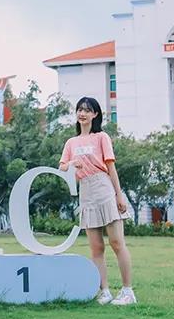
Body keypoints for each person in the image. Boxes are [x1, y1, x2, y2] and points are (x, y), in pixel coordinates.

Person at [58, 96, 136, 305]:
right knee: (96, 247)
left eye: (87, 110)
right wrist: (72, 163)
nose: (82, 114)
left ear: (95, 114)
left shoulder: (102, 137)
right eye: (79, 110)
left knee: (117, 243)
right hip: (85, 191)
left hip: (103, 187)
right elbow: (62, 167)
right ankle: (104, 291)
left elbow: (111, 168)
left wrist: (119, 195)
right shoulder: (71, 142)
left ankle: (128, 291)